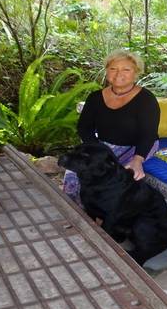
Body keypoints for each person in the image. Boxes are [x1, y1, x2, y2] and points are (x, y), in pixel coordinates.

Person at [63, 50, 160, 202]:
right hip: (102, 145)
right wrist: (96, 149)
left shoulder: (146, 99)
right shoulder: (95, 97)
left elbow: (148, 134)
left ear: (135, 73)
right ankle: (75, 213)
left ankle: (95, 219)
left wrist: (137, 160)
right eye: (113, 68)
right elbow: (84, 127)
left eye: (126, 69)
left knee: (106, 175)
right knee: (74, 172)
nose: (118, 73)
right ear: (107, 71)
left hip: (137, 146)